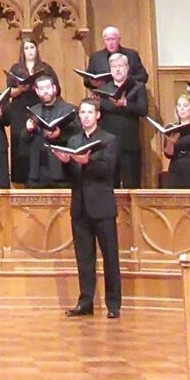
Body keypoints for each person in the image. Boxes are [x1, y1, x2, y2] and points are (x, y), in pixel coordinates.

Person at [53, 98, 121, 319]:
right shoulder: (73, 140)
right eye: (82, 112)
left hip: (102, 206)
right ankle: (85, 302)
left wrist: (86, 162)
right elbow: (69, 176)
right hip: (80, 206)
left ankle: (113, 304)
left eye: (89, 112)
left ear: (98, 115)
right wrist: (65, 162)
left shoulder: (109, 139)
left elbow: (108, 169)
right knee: (84, 258)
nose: (85, 116)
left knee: (110, 257)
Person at [7, 37, 61, 185]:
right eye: (26, 48)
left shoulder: (45, 68)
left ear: (37, 49)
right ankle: (20, 181)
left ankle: (40, 179)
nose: (30, 51)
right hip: (19, 111)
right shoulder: (16, 68)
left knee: (38, 142)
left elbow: (57, 89)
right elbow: (9, 92)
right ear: (22, 51)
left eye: (32, 47)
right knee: (21, 144)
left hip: (40, 109)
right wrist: (21, 89)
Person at [97, 53, 147, 188]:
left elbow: (143, 110)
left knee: (132, 184)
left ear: (127, 68)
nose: (117, 70)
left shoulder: (137, 87)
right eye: (114, 67)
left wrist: (125, 104)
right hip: (109, 144)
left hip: (130, 143)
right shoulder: (103, 90)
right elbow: (100, 113)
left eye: (120, 66)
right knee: (110, 184)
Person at [22, 75, 79, 188]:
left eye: (48, 87)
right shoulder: (33, 110)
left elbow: (77, 134)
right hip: (37, 172)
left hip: (61, 171)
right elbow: (24, 139)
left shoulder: (69, 109)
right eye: (41, 89)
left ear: (54, 88)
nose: (45, 91)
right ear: (37, 91)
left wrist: (60, 135)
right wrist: (28, 129)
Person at [163, 94, 190, 188]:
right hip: (177, 166)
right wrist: (171, 142)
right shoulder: (171, 128)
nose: (181, 109)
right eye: (179, 106)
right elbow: (168, 154)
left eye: (185, 105)